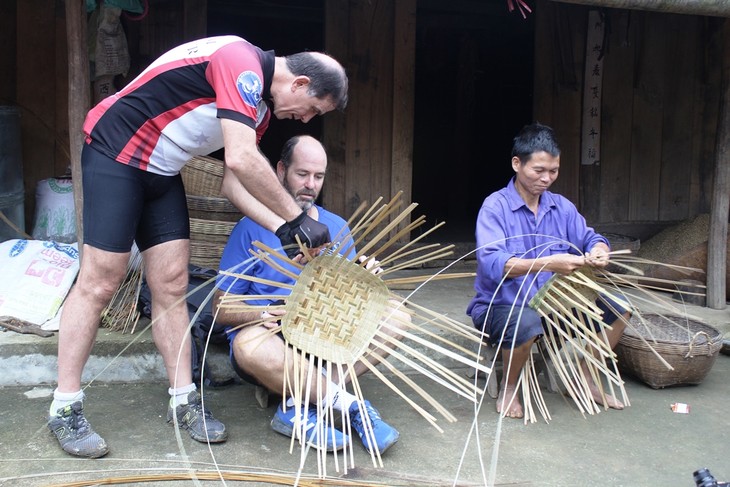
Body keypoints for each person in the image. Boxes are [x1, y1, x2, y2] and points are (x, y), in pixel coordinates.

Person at [47, 35, 349, 458]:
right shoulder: (239, 61)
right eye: (313, 109)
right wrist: (297, 218)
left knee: (171, 283)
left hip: (163, 168)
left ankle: (184, 400)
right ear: (298, 83)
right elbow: (244, 159)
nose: (304, 119)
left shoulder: (257, 110)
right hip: (116, 152)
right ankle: (65, 408)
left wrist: (286, 230)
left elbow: (232, 180)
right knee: (101, 281)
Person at [214, 135, 407, 454]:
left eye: (318, 176)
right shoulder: (251, 227)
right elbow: (220, 308)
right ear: (280, 171)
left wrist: (367, 281)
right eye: (302, 174)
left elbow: (349, 301)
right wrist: (261, 314)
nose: (310, 184)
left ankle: (298, 407)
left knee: (395, 313)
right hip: (272, 338)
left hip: (325, 338)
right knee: (248, 345)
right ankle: (350, 406)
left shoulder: (337, 227)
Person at [466, 122, 628, 420]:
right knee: (526, 321)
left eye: (553, 171)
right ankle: (510, 387)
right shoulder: (494, 207)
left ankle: (586, 376)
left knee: (619, 309)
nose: (547, 178)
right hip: (500, 307)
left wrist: (599, 250)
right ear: (517, 163)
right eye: (538, 170)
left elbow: (590, 236)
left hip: (555, 307)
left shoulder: (561, 207)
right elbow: (493, 264)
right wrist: (549, 264)